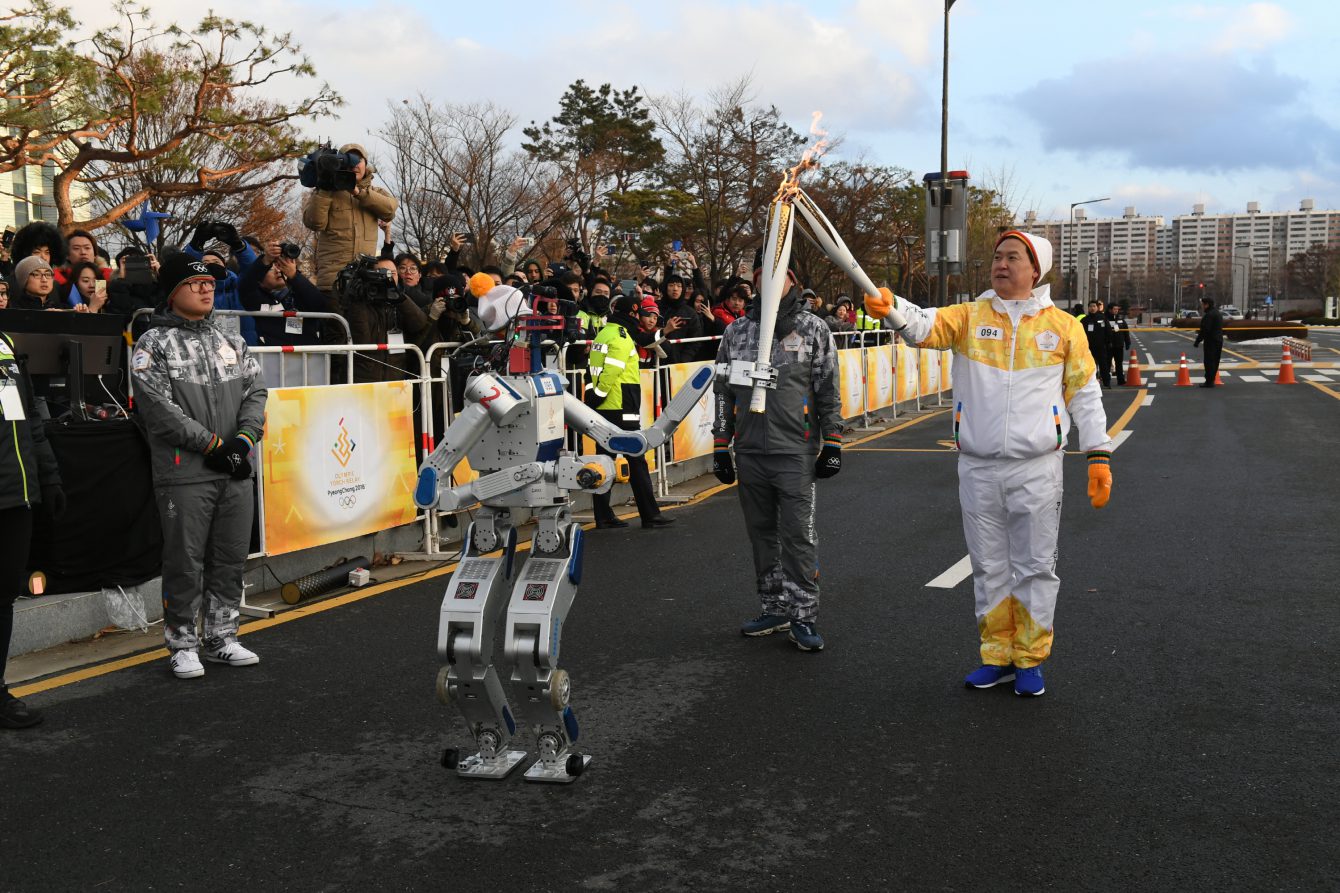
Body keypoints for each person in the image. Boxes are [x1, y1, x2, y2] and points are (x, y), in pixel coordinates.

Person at [864, 231, 1112, 695]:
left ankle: (1030, 660)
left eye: (1012, 257)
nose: (1001, 264)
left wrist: (1098, 454)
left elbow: (1086, 392)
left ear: (1035, 268)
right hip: (977, 467)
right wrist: (891, 305)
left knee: (1035, 566)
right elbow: (922, 326)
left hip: (1037, 467)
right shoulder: (969, 316)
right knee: (989, 565)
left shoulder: (1062, 327)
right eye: (997, 256)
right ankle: (996, 655)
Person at [130, 255, 268, 679]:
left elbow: (256, 394)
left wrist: (242, 442)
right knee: (184, 561)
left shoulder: (232, 341)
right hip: (184, 472)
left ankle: (223, 636)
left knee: (229, 557)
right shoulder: (152, 344)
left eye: (210, 282)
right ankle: (182, 642)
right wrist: (213, 446)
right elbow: (158, 411)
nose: (207, 288)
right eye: (195, 283)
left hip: (233, 469)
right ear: (173, 292)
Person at [712, 255, 841, 653]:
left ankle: (803, 615)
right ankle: (774, 607)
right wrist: (721, 445)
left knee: (798, 536)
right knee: (761, 534)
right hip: (750, 450)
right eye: (759, 275)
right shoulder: (737, 331)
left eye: (777, 273)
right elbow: (721, 390)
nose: (768, 281)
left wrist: (833, 441)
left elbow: (828, 387)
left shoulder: (813, 328)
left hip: (794, 450)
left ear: (791, 278)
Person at [1, 328, 65, 727]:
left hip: (14, 497)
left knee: (2, 599)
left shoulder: (4, 342)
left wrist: (51, 475)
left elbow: (30, 422)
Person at [585, 294, 673, 530]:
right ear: (631, 314)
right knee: (637, 458)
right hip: (621, 404)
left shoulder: (603, 333)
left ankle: (603, 516)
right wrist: (601, 393)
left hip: (605, 406)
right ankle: (650, 514)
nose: (639, 319)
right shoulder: (622, 338)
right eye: (637, 314)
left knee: (604, 461)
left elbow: (591, 370)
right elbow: (611, 372)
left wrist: (593, 396)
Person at [302, 143, 399, 290]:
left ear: (366, 165)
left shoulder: (376, 192)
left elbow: (389, 210)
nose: (354, 164)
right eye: (348, 159)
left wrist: (358, 193)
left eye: (358, 159)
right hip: (332, 281)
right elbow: (314, 223)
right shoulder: (326, 192)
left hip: (363, 282)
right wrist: (325, 188)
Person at [238, 241, 333, 345]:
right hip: (273, 357)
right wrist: (265, 260)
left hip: (308, 356)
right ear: (260, 280)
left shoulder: (300, 291)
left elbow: (319, 304)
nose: (278, 271)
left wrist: (294, 276)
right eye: (270, 268)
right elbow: (245, 286)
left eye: (280, 266)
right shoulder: (256, 297)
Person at [1193, 297, 1224, 388]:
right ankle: (1211, 380)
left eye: (1203, 304)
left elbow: (1205, 330)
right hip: (1218, 340)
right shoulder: (1217, 313)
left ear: (1207, 304)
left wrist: (1197, 341)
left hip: (1211, 341)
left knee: (1209, 361)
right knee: (1215, 361)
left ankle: (1209, 381)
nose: (1202, 306)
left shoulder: (1209, 315)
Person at [1082, 299, 1112, 388]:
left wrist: (1109, 342)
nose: (1092, 308)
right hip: (1088, 347)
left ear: (1097, 308)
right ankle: (1092, 383)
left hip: (1101, 346)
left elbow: (1108, 331)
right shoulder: (1085, 320)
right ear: (1088, 308)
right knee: (1090, 366)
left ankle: (1107, 383)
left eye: (1094, 306)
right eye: (1090, 306)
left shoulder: (1102, 318)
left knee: (1104, 365)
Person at [1106, 302, 1131, 385]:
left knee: (1119, 363)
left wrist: (1127, 342)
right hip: (1108, 345)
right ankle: (1106, 380)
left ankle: (1121, 380)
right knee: (1107, 363)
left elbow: (1126, 332)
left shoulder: (1120, 319)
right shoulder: (1105, 319)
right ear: (1110, 310)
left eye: (1117, 309)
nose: (1116, 311)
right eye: (1114, 309)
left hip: (1119, 345)